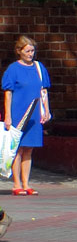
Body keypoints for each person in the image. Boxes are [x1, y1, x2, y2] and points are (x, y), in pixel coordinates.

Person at [3, 35, 51, 196]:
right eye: (28, 51)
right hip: (18, 112)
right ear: (19, 51)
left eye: (33, 51)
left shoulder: (39, 67)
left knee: (29, 149)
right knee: (17, 149)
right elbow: (8, 94)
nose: (31, 54)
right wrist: (8, 116)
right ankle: (17, 184)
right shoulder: (13, 69)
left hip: (34, 114)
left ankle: (26, 183)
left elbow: (43, 90)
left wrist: (47, 110)